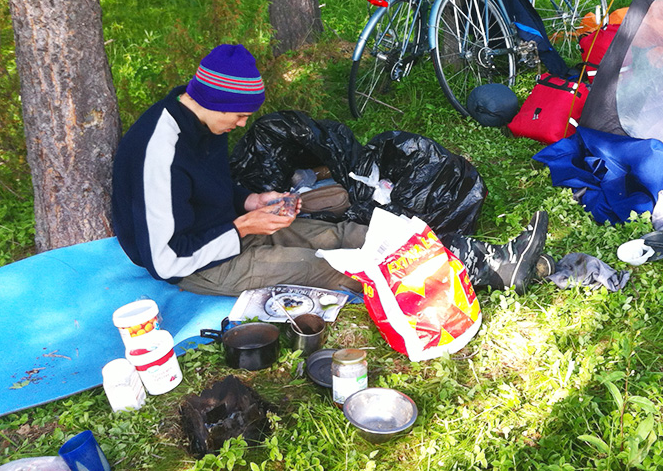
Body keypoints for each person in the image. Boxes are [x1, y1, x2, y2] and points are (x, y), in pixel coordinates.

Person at [112, 43, 550, 298]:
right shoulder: (158, 150)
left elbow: (202, 189)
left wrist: (248, 201)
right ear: (216, 102)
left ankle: (487, 258)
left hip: (227, 228)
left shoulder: (204, 116)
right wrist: (245, 227)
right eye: (240, 115)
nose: (243, 125)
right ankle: (484, 274)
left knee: (353, 233)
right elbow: (167, 258)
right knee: (335, 264)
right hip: (198, 265)